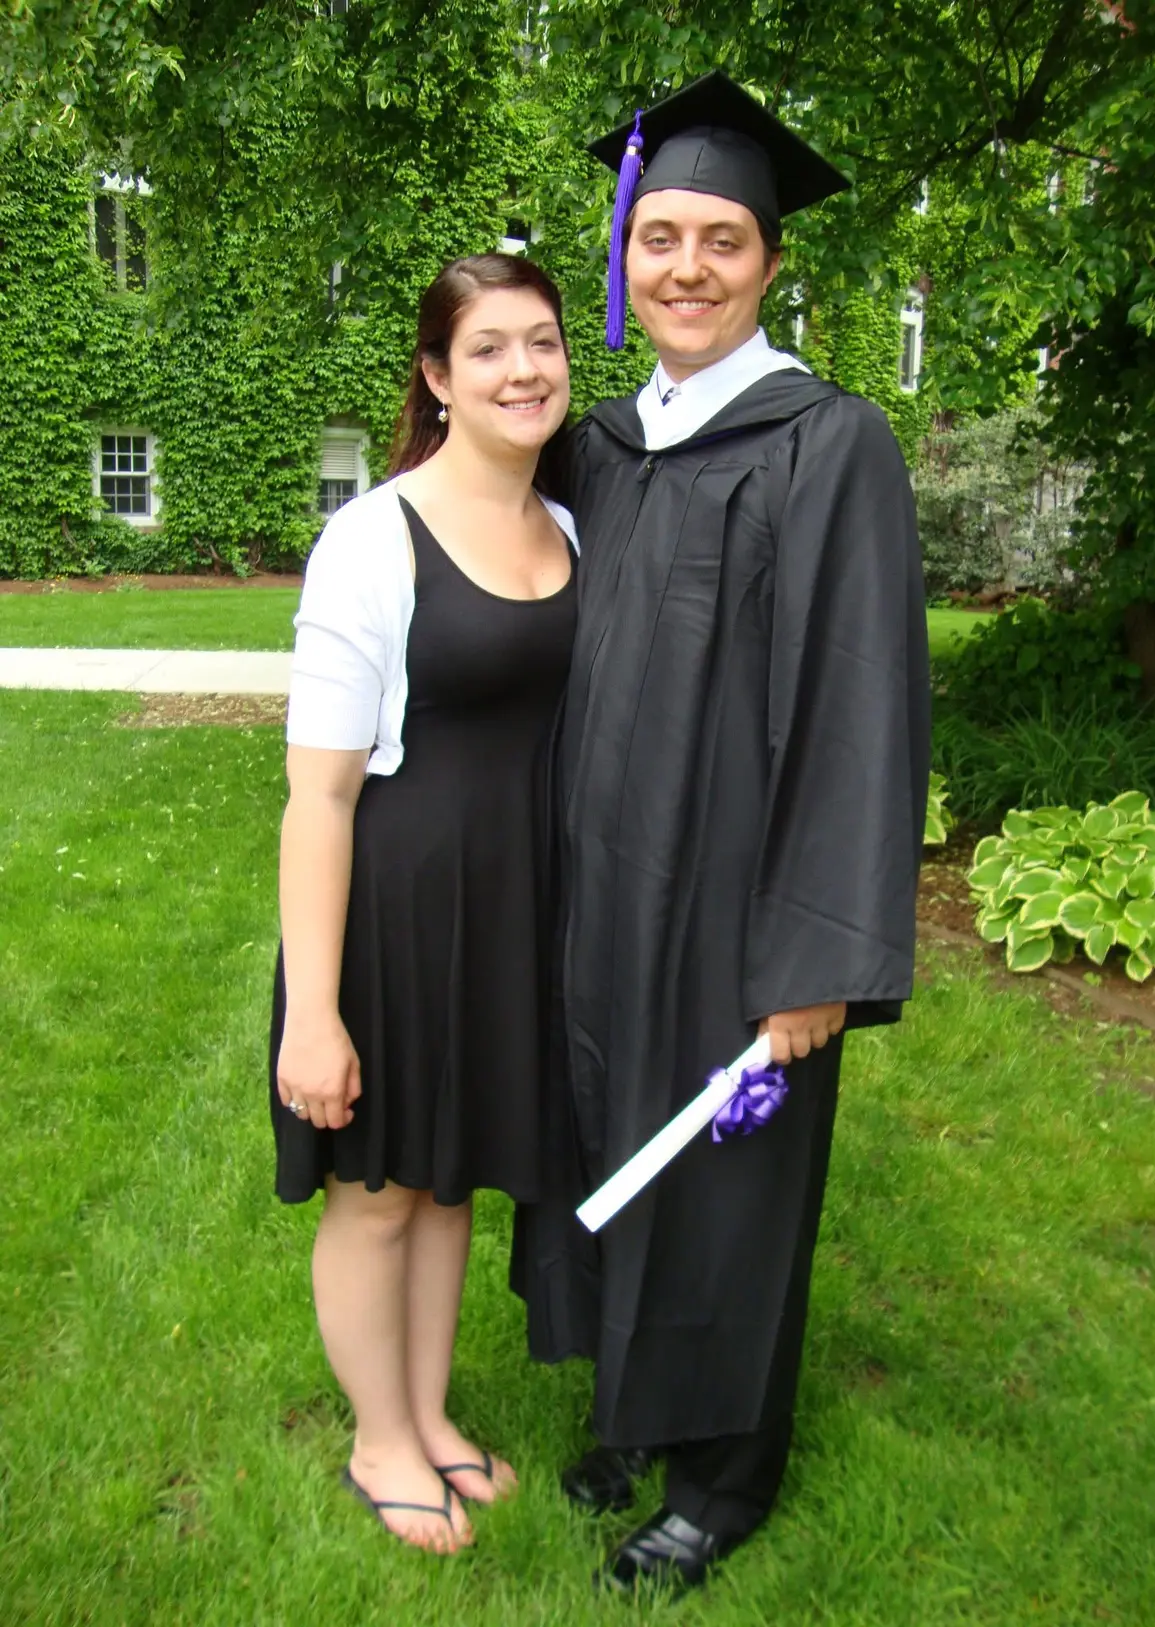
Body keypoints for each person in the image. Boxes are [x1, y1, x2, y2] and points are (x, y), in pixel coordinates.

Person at [512, 72, 931, 1592]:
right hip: (601, 887)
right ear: (624, 252)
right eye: (659, 237)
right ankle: (634, 1411)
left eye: (724, 241)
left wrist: (817, 956)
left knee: (730, 1180)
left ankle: (721, 1478)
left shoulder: (830, 445)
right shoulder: (604, 446)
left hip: (740, 904)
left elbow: (863, 707)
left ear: (770, 261)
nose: (686, 268)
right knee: (611, 1129)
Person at [270, 253, 576, 1555]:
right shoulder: (373, 539)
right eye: (488, 348)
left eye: (543, 341)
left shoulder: (570, 529)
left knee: (452, 1184)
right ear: (438, 379)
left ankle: (430, 1414)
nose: (523, 369)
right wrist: (315, 1013)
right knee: (382, 1190)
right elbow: (320, 795)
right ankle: (378, 1439)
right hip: (393, 919)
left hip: (505, 915)